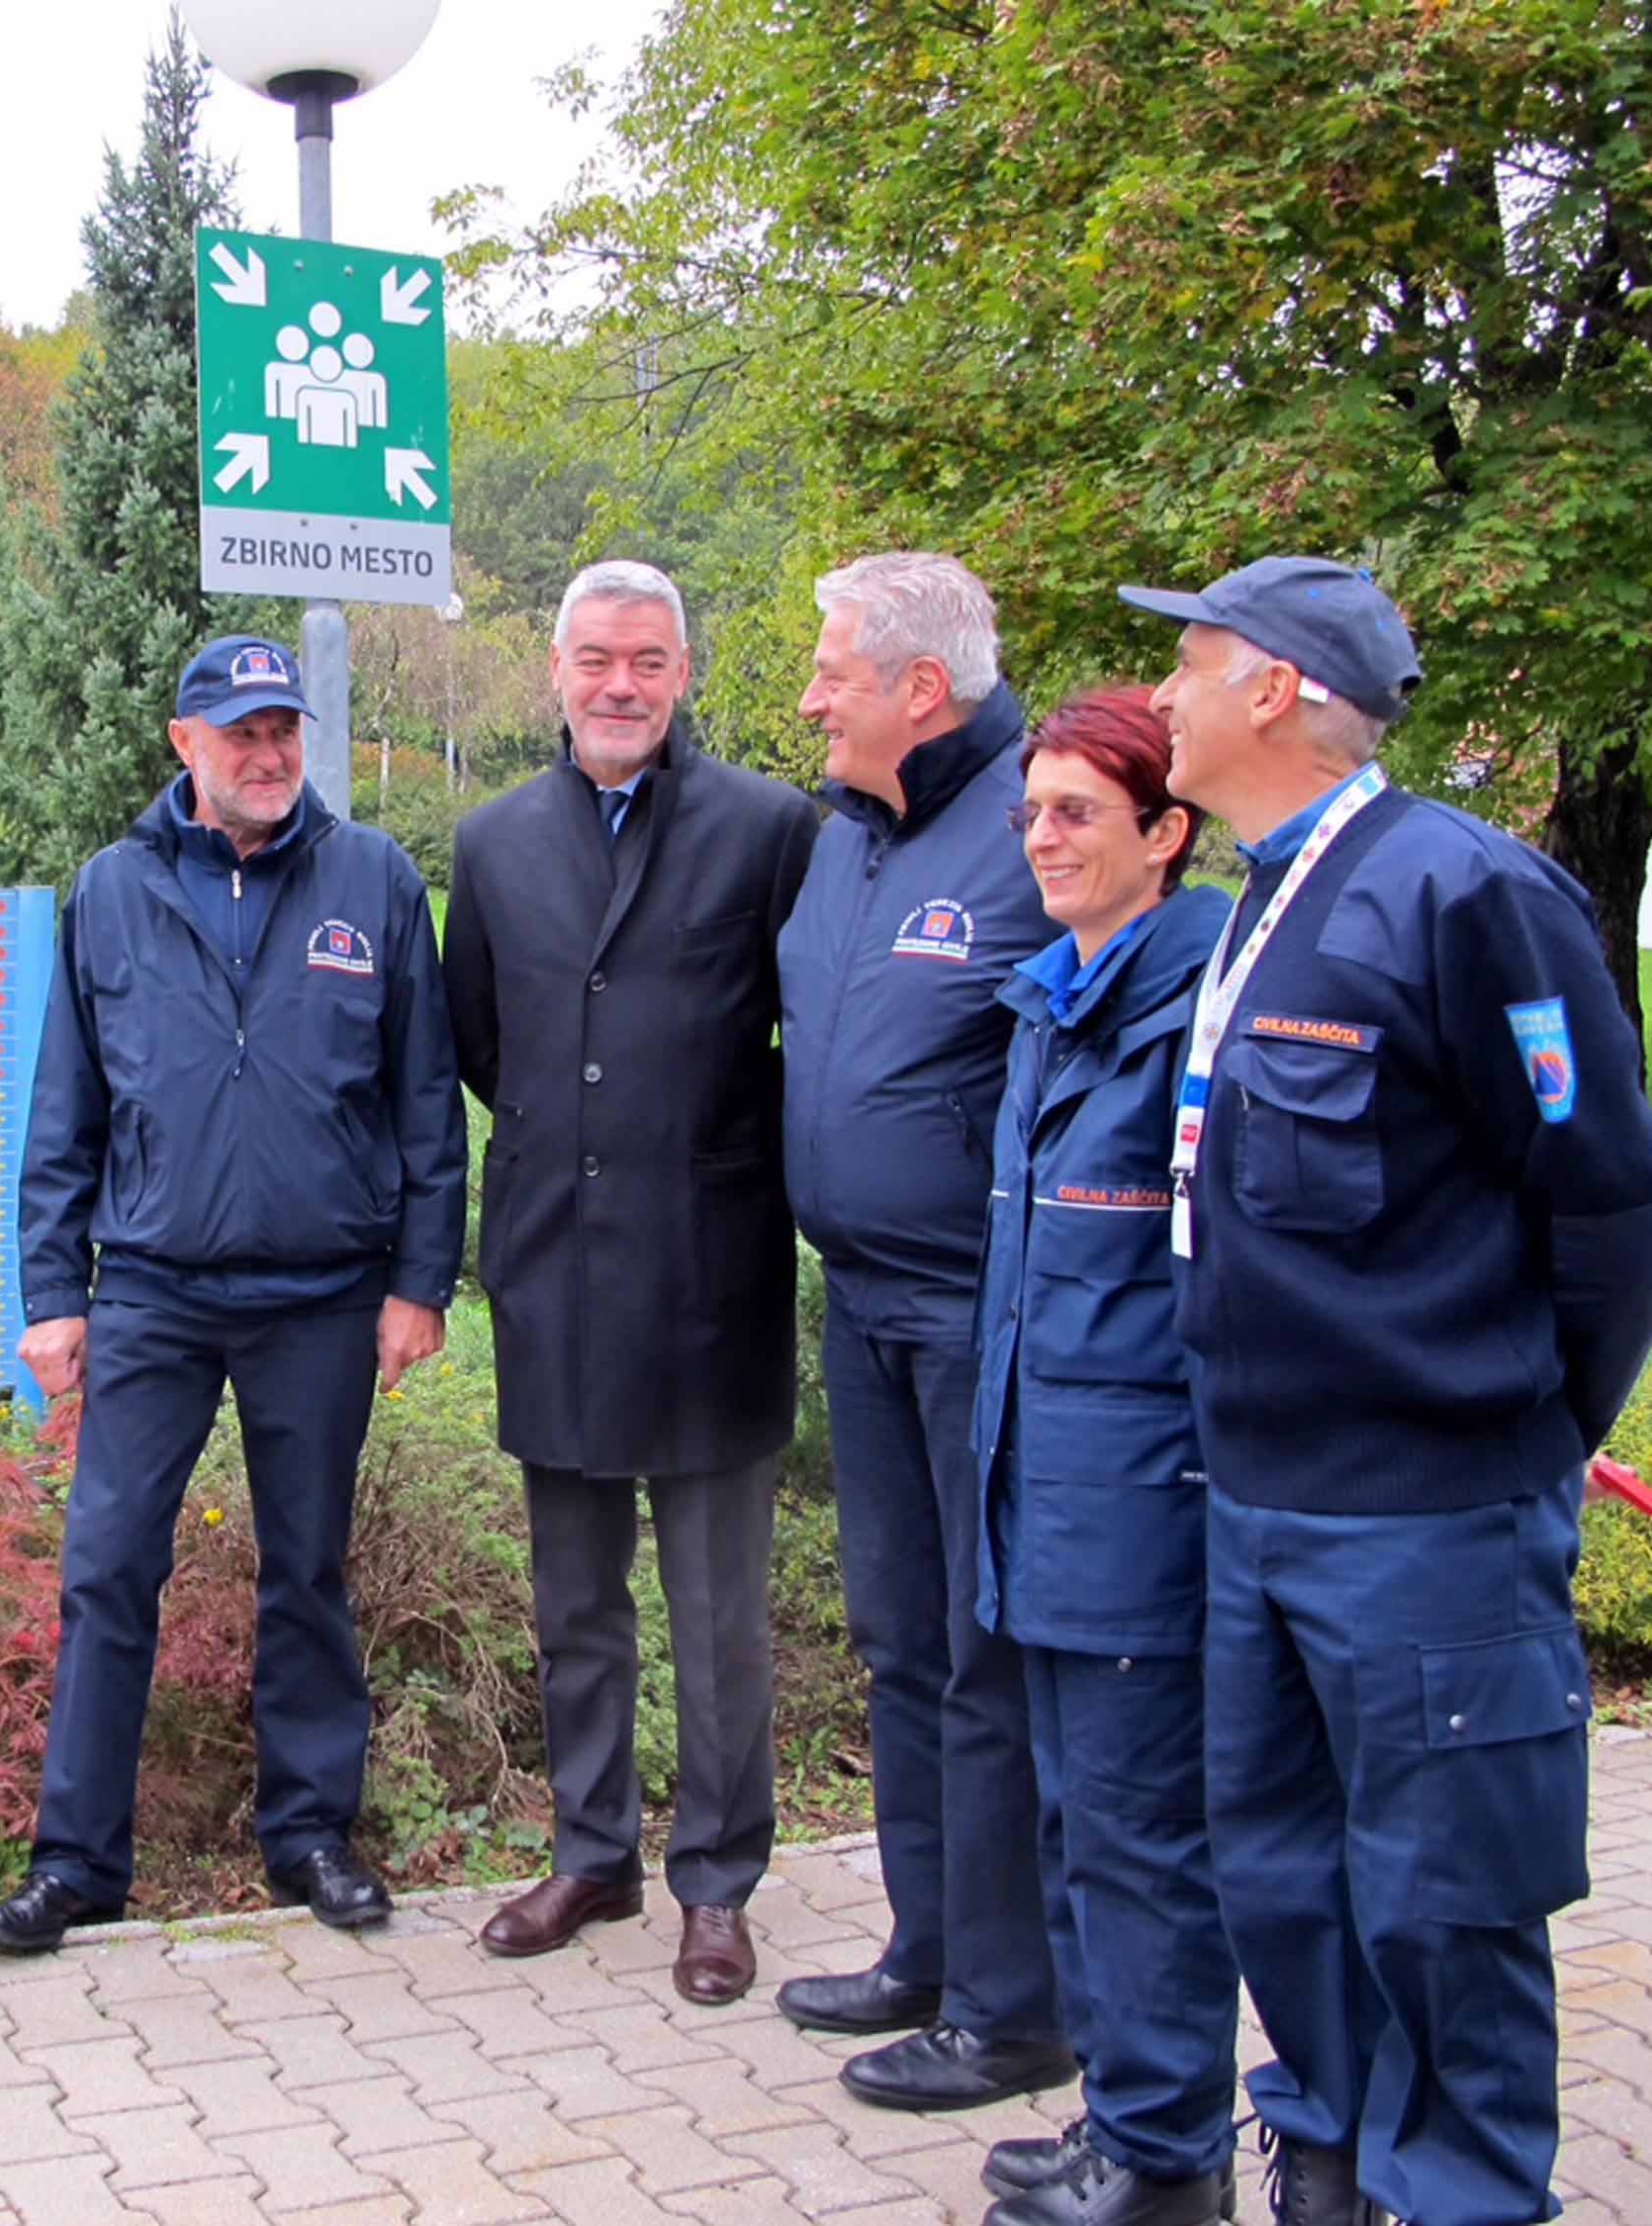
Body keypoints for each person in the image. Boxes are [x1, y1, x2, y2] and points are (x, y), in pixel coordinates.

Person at [1117, 558, 1652, 2226]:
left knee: (1449, 1908)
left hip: (1426, 1518)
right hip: (1263, 1505)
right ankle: (1345, 2162)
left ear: (1277, 689)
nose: (1166, 697)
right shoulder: (1269, 898)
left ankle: (1468, 2193)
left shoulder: (1459, 893)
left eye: (1192, 665)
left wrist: (1530, 1430)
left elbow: (1614, 1203)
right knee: (1284, 1876)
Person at [0, 633, 468, 1955]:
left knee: (307, 1568)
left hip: (322, 1293)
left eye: (284, 732)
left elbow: (428, 1104)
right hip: (151, 1291)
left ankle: (310, 1833)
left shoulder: (375, 879)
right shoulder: (110, 891)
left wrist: (422, 1278)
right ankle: (77, 1860)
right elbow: (61, 1110)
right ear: (184, 745)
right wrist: (51, 1291)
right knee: (108, 1565)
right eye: (241, 733)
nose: (269, 755)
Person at [440, 559, 819, 2007]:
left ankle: (717, 1882)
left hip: (711, 1272)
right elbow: (487, 1042)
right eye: (595, 657)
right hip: (554, 1267)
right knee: (576, 1600)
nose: (619, 683)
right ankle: (591, 1848)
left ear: (682, 673)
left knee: (719, 1615)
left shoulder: (769, 830)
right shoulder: (494, 844)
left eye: (646, 660)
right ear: (554, 670)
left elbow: (806, 1031)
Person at [772, 551, 1071, 2111]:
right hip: (863, 1302)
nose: (811, 694)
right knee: (898, 1639)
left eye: (833, 667)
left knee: (983, 1652)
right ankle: (927, 1945)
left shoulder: (1032, 821)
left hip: (976, 1311)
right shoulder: (847, 836)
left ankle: (1018, 2004)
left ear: (918, 690)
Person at [964, 687, 1239, 2226]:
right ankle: (1126, 2114)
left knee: (1141, 1846)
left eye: (1079, 811)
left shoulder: (1193, 1011)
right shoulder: (1060, 993)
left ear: (1165, 831)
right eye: (1032, 812)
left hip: (1139, 1508)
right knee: (1084, 1829)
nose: (1045, 839)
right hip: (1045, 1490)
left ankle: (1165, 2163)